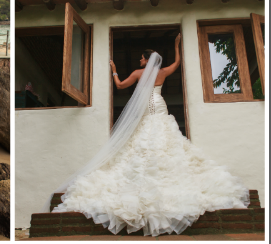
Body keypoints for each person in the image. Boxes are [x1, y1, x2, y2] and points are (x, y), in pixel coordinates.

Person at [48, 37, 249, 237]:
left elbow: (119, 86)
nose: (140, 61)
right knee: (165, 136)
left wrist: (114, 69)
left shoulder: (138, 73)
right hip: (159, 103)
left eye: (141, 59)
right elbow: (177, 63)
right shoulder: (162, 72)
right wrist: (176, 45)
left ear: (147, 59)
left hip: (146, 106)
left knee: (143, 137)